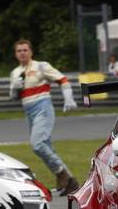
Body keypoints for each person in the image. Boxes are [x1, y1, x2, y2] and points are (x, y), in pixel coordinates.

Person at [9, 39, 80, 196]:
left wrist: (68, 98)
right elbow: (13, 97)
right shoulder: (15, 73)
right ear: (15, 54)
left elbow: (62, 79)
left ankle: (62, 173)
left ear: (31, 52)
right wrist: (15, 89)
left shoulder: (41, 66)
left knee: (38, 144)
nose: (22, 53)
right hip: (29, 111)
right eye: (19, 50)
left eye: (25, 50)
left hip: (43, 108)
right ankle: (70, 181)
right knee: (47, 147)